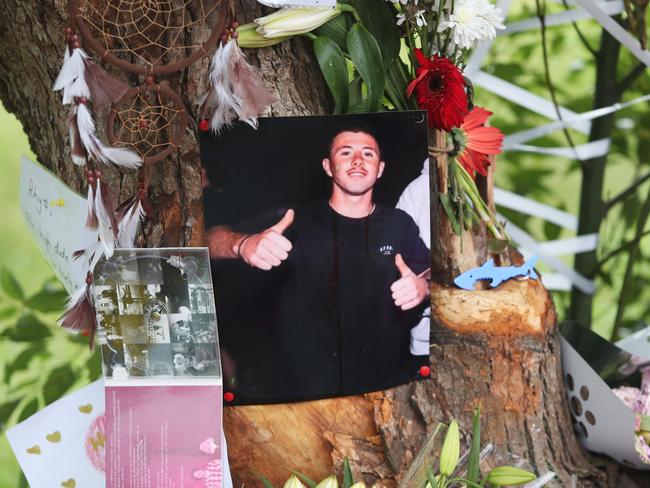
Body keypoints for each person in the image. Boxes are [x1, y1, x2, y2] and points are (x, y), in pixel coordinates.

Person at [207, 126, 431, 399]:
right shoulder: (294, 220)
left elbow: (428, 273)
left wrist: (423, 286)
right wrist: (242, 245)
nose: (358, 160)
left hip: (385, 390)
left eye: (368, 153)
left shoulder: (399, 224)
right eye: (346, 152)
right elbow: (208, 239)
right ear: (328, 166)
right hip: (304, 394)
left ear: (380, 168)